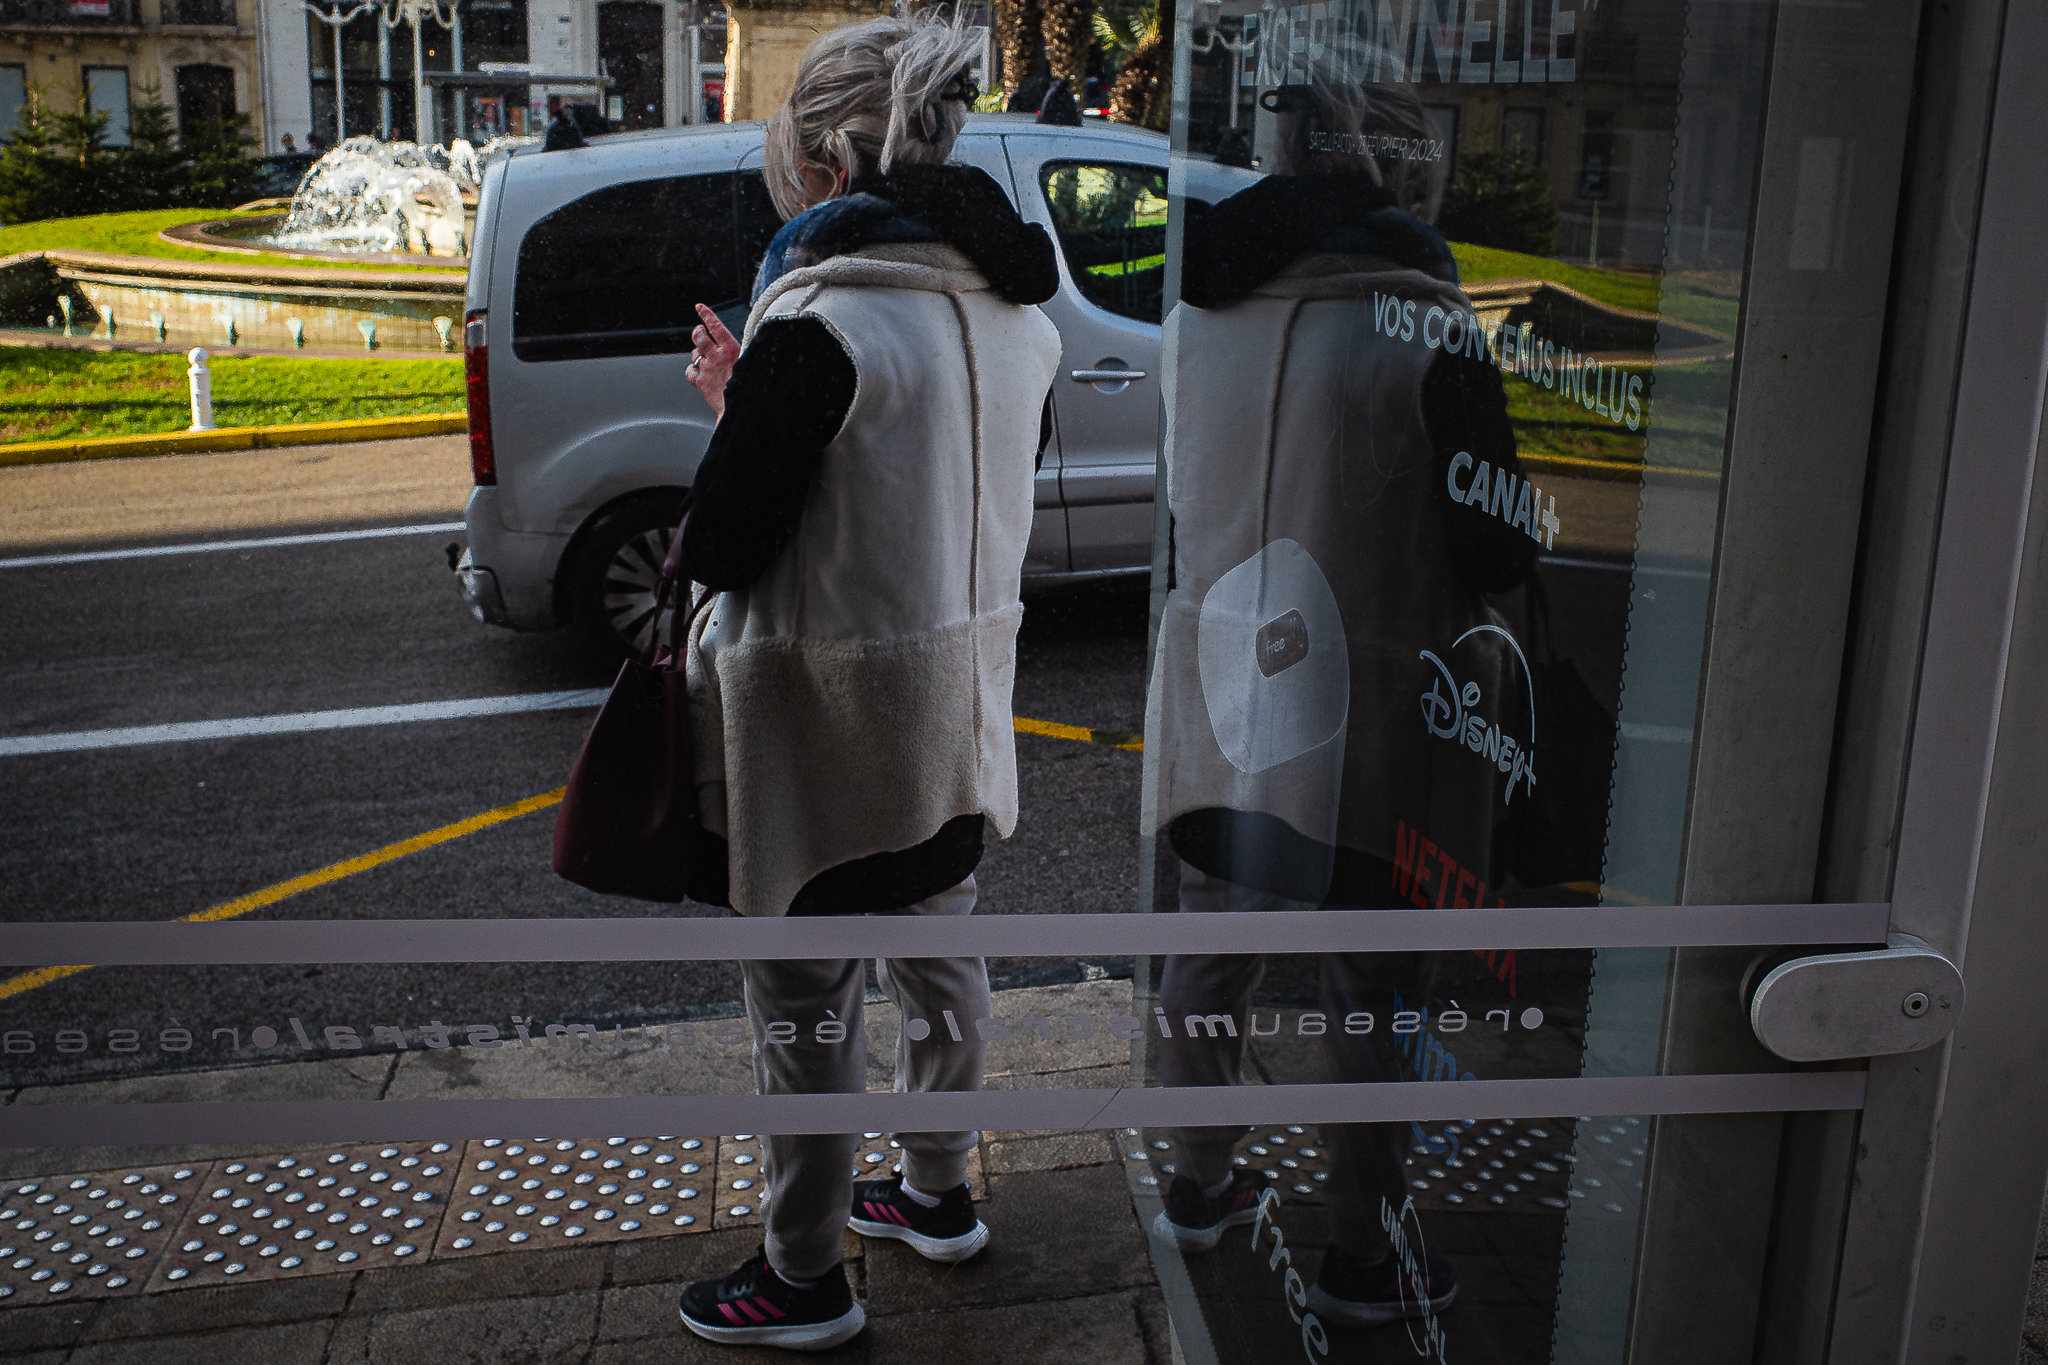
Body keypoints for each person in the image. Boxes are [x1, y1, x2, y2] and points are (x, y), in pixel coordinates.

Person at [668, 8, 1062, 1351]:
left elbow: (724, 543)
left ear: (828, 175)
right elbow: (932, 492)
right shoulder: (1020, 323)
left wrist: (739, 417)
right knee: (942, 961)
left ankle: (802, 1277)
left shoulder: (821, 321)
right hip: (959, 721)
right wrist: (759, 411)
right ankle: (939, 1196)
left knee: (806, 1011)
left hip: (831, 740)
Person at [1142, 47, 1536, 1333]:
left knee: (1210, 945)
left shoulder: (1201, 305)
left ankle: (1194, 1184)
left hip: (1220, 689)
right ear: (1394, 164)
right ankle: (1364, 1255)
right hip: (1367, 710)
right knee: (1372, 982)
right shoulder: (1416, 317)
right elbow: (1495, 543)